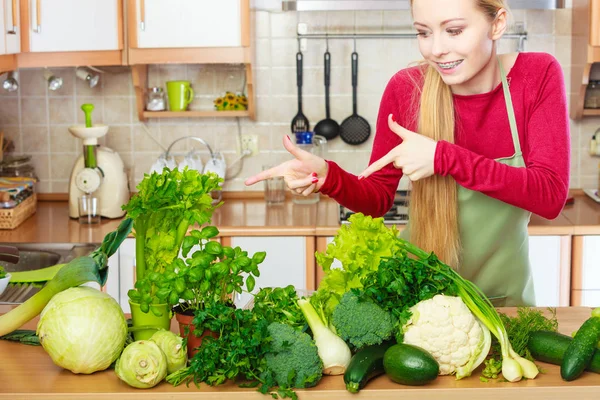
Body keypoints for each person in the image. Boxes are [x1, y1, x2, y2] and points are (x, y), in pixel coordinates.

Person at [244, 0, 570, 306]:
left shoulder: (535, 76)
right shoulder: (407, 88)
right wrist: (329, 177)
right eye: (423, 32)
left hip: (504, 305)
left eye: (454, 30)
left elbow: (550, 195)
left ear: (497, 24)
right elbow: (377, 199)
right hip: (422, 302)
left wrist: (443, 158)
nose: (436, 49)